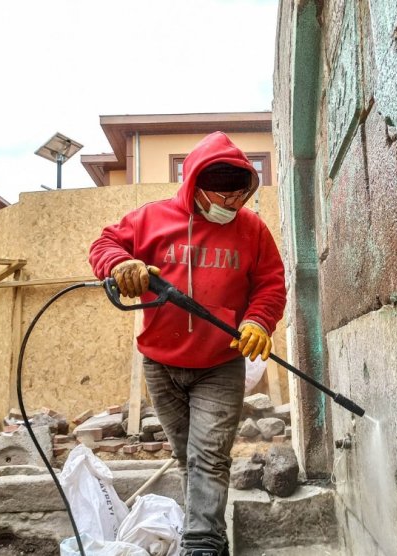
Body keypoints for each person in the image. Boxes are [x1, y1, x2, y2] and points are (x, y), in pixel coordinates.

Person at [89, 131, 286, 556]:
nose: (232, 207)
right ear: (195, 186)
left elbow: (270, 284)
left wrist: (258, 321)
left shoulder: (252, 230)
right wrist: (121, 264)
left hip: (220, 362)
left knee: (210, 457)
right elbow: (104, 244)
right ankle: (205, 533)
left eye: (239, 198)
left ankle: (203, 543)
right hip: (160, 363)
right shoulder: (151, 219)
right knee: (187, 457)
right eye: (222, 198)